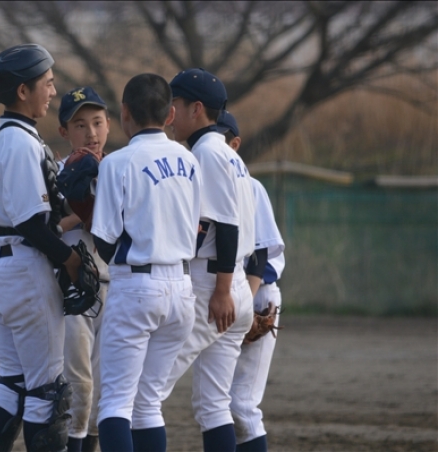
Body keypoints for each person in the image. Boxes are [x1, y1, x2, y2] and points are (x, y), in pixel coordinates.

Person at [0, 43, 82, 452]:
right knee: (46, 392)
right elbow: (31, 224)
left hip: (0, 267)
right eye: (47, 83)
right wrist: (69, 259)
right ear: (23, 90)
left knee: (13, 383)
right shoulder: (19, 142)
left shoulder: (7, 134)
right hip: (23, 270)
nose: (52, 91)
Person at [91, 73, 201, 452]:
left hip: (137, 287)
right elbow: (196, 226)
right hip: (183, 290)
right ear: (170, 115)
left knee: (116, 402)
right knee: (148, 404)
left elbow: (104, 241)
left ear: (124, 113)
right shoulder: (189, 159)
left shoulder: (117, 162)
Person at [161, 68, 256, 452]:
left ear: (196, 108)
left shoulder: (208, 153)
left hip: (214, 286)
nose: (169, 113)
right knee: (213, 405)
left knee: (144, 392)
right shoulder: (228, 154)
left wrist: (221, 290)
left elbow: (227, 226)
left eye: (175, 104)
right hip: (231, 284)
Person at [217, 110, 286, 452]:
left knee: (239, 405)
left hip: (256, 296)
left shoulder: (251, 186)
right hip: (223, 300)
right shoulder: (203, 183)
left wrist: (247, 309)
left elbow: (262, 256)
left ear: (235, 144)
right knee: (215, 404)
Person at [56, 86, 111, 452]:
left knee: (107, 386)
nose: (91, 133)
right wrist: (81, 212)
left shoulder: (118, 168)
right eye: (80, 125)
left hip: (114, 285)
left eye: (97, 122)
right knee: (80, 384)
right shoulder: (57, 174)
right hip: (73, 288)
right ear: (64, 131)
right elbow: (43, 229)